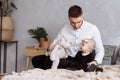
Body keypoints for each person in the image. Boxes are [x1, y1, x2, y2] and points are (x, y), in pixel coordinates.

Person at [32, 5, 104, 72]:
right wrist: (50, 47)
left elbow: (100, 49)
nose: (76, 25)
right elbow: (54, 44)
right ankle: (61, 69)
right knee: (35, 60)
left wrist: (95, 61)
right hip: (67, 58)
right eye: (73, 22)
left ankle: (56, 71)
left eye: (79, 22)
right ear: (68, 17)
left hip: (83, 60)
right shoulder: (64, 30)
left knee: (50, 61)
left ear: (82, 16)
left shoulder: (92, 28)